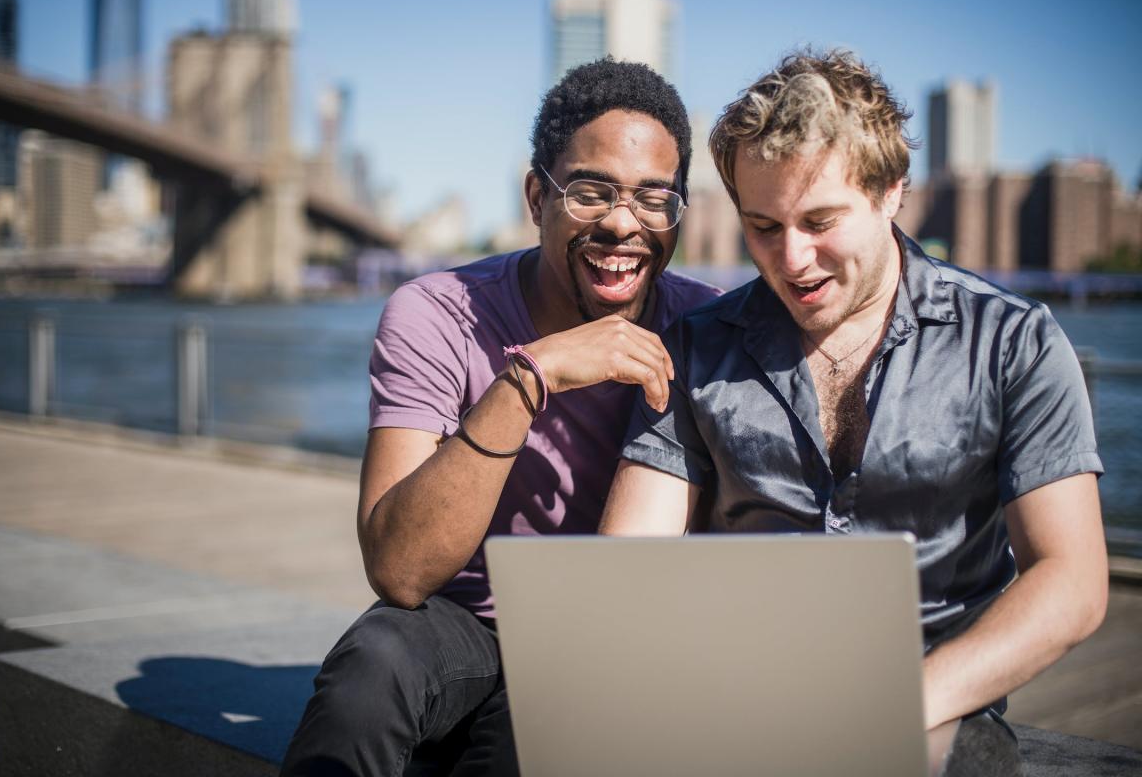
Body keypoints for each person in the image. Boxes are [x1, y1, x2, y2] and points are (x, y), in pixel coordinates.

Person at [599, 50, 1107, 775]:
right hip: (734, 700)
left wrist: (901, 704)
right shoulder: (693, 349)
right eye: (764, 227)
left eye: (819, 220)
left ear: (891, 190)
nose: (793, 258)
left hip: (934, 708)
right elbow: (629, 564)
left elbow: (1073, 581)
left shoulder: (1012, 343)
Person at [280, 58, 720, 776]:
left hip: (611, 644)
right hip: (463, 626)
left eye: (653, 199)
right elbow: (398, 571)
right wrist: (531, 377)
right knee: (371, 665)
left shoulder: (708, 327)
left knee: (530, 744)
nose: (621, 224)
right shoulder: (437, 312)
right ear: (534, 196)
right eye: (589, 192)